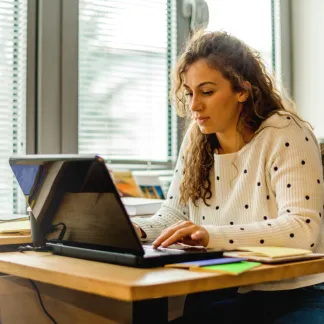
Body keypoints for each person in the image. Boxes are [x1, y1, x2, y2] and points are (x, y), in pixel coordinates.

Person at [132, 28, 324, 323]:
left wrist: (210, 236)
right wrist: (136, 231)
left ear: (242, 91)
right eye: (189, 93)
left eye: (207, 92)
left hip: (296, 292)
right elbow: (173, 217)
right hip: (225, 287)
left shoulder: (284, 132)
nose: (194, 106)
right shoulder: (198, 138)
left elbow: (302, 231)